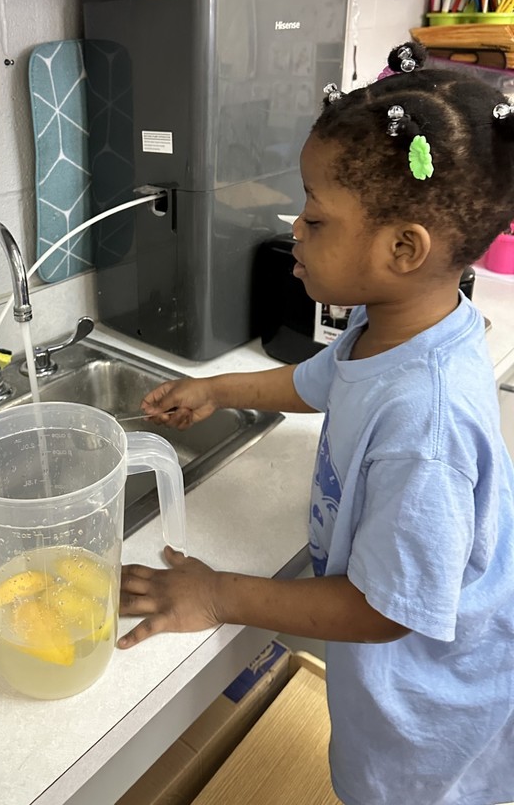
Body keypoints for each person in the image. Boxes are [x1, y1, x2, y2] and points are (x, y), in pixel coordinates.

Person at [118, 42, 514, 805]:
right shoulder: (395, 328)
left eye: (315, 215)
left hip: (433, 716)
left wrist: (217, 595)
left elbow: (383, 609)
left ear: (404, 247)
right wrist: (219, 389)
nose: (293, 227)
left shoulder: (425, 428)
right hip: (400, 688)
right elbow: (319, 381)